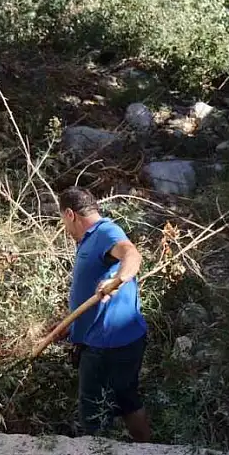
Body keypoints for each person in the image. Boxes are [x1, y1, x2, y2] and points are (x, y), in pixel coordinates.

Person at [51, 186, 151, 441]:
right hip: (110, 338)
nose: (64, 227)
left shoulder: (106, 231)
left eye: (63, 220)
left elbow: (131, 253)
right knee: (127, 398)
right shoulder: (90, 239)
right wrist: (69, 325)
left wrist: (117, 280)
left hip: (106, 344)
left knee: (93, 409)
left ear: (70, 214)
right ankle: (148, 451)